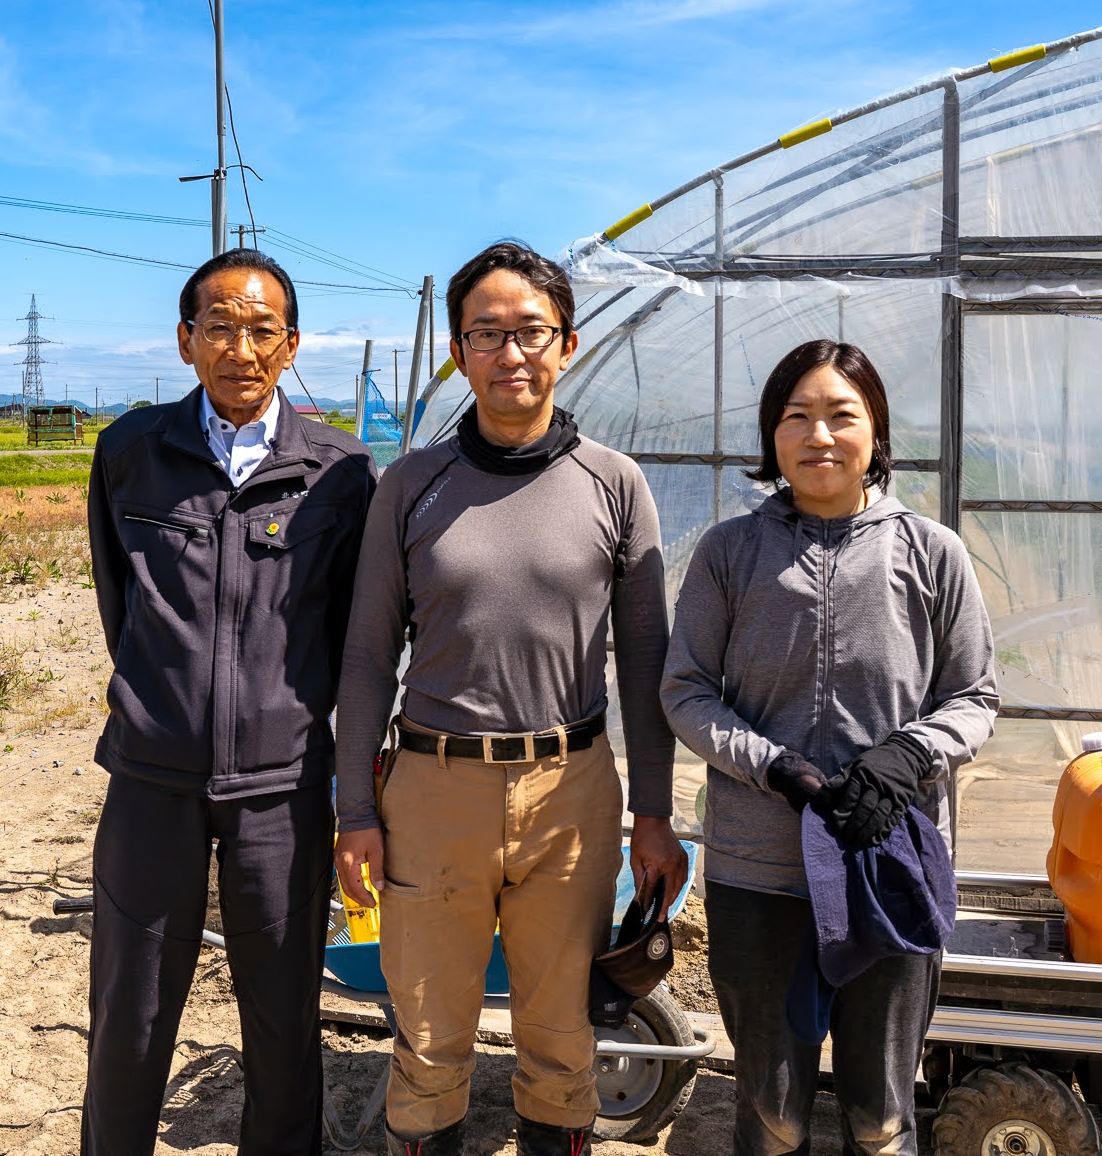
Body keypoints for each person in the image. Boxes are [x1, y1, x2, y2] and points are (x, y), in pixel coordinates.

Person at [332, 240, 688, 1156]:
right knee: (429, 1034)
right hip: (433, 788)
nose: (511, 352)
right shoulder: (412, 485)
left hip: (570, 788)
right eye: (485, 334)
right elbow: (370, 656)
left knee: (561, 1034)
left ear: (567, 345)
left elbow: (645, 659)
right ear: (459, 353)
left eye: (530, 330)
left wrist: (655, 813)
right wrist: (354, 810)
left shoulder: (613, 483)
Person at [662, 339, 997, 1156]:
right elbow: (685, 690)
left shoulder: (931, 552)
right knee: (773, 1109)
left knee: (881, 1116)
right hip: (759, 866)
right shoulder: (730, 553)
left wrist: (910, 755)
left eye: (841, 415)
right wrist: (769, 762)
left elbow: (976, 695)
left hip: (891, 863)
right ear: (772, 438)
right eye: (796, 416)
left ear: (875, 431)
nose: (819, 434)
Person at [81, 248, 378, 1156]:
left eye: (261, 330)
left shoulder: (339, 470)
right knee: (129, 1015)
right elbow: (117, 601)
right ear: (185, 340)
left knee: (283, 1019)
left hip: (283, 788)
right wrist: (157, 707)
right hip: (150, 780)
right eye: (219, 325)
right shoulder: (132, 453)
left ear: (291, 346)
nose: (239, 349)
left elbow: (352, 635)